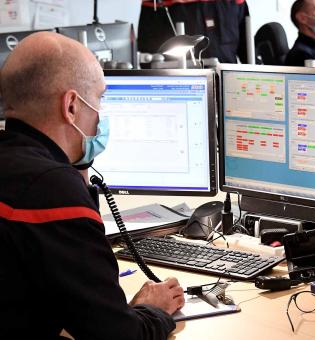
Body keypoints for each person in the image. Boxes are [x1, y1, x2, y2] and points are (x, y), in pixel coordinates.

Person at [0, 32, 184, 339]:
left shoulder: (18, 167)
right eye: (100, 98)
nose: (100, 115)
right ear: (71, 106)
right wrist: (153, 310)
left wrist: (76, 166)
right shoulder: (51, 192)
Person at [138, 0, 250, 64]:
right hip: (179, 89)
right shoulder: (157, 3)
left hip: (226, 86)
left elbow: (247, 51)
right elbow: (150, 58)